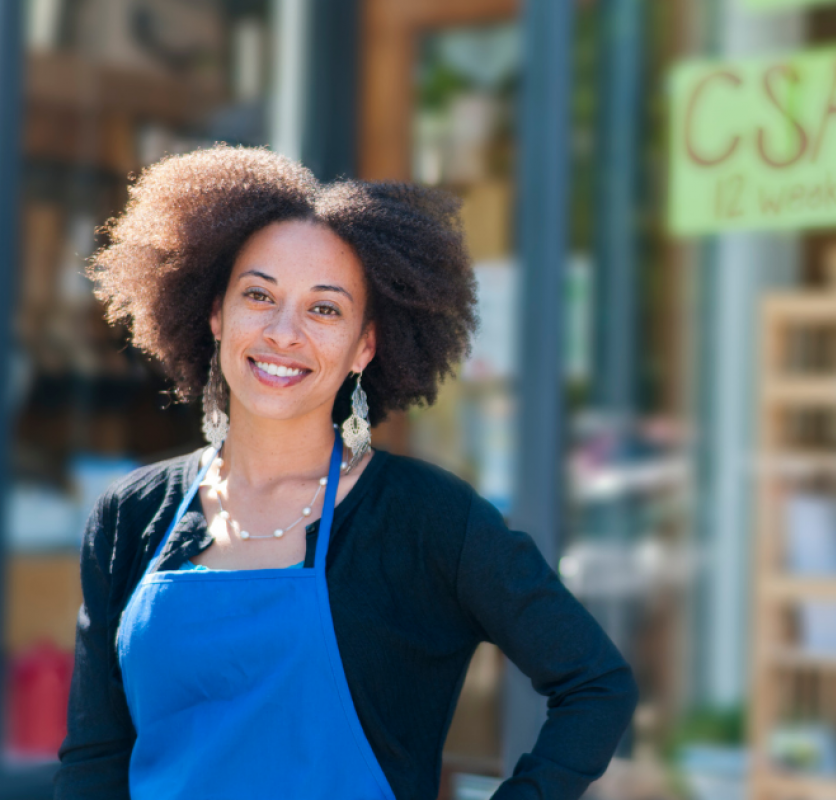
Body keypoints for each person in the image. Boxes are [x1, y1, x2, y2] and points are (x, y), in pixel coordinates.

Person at [53, 144, 638, 800]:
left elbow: (596, 685)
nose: (283, 331)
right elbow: (96, 757)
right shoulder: (132, 515)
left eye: (324, 309)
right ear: (216, 313)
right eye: (258, 295)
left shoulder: (427, 520)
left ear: (365, 345)